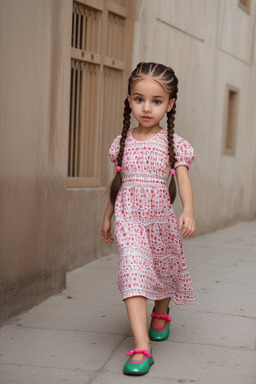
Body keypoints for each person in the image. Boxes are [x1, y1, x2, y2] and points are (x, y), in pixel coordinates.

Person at [101, 62, 196, 376]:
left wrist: (187, 210)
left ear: (169, 105)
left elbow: (182, 181)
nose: (146, 107)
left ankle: (162, 309)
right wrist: (107, 217)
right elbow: (118, 182)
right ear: (129, 100)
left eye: (156, 101)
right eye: (139, 99)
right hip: (128, 219)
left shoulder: (174, 145)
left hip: (159, 220)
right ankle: (142, 346)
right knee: (133, 271)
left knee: (163, 266)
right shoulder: (122, 143)